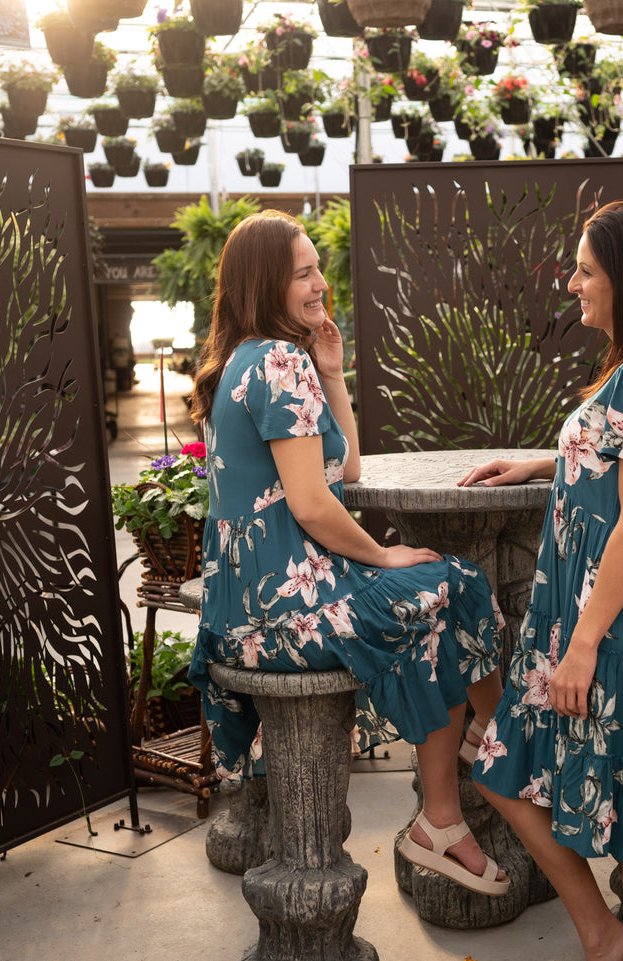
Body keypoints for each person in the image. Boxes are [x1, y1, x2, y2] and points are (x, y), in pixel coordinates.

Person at [187, 209, 508, 896]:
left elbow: (346, 471)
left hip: (247, 608)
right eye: (302, 272)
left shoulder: (252, 359)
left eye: (316, 269)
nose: (318, 285)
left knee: (445, 587)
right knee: (443, 587)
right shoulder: (276, 361)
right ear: (263, 282)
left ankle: (476, 757)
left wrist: (333, 373)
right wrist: (383, 557)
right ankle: (482, 759)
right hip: (284, 611)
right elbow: (311, 505)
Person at [459, 200, 623, 960]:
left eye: (585, 271)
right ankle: (603, 934)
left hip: (619, 623)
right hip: (590, 617)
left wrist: (584, 644)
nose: (570, 284)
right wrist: (543, 461)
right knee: (503, 764)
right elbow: (614, 459)